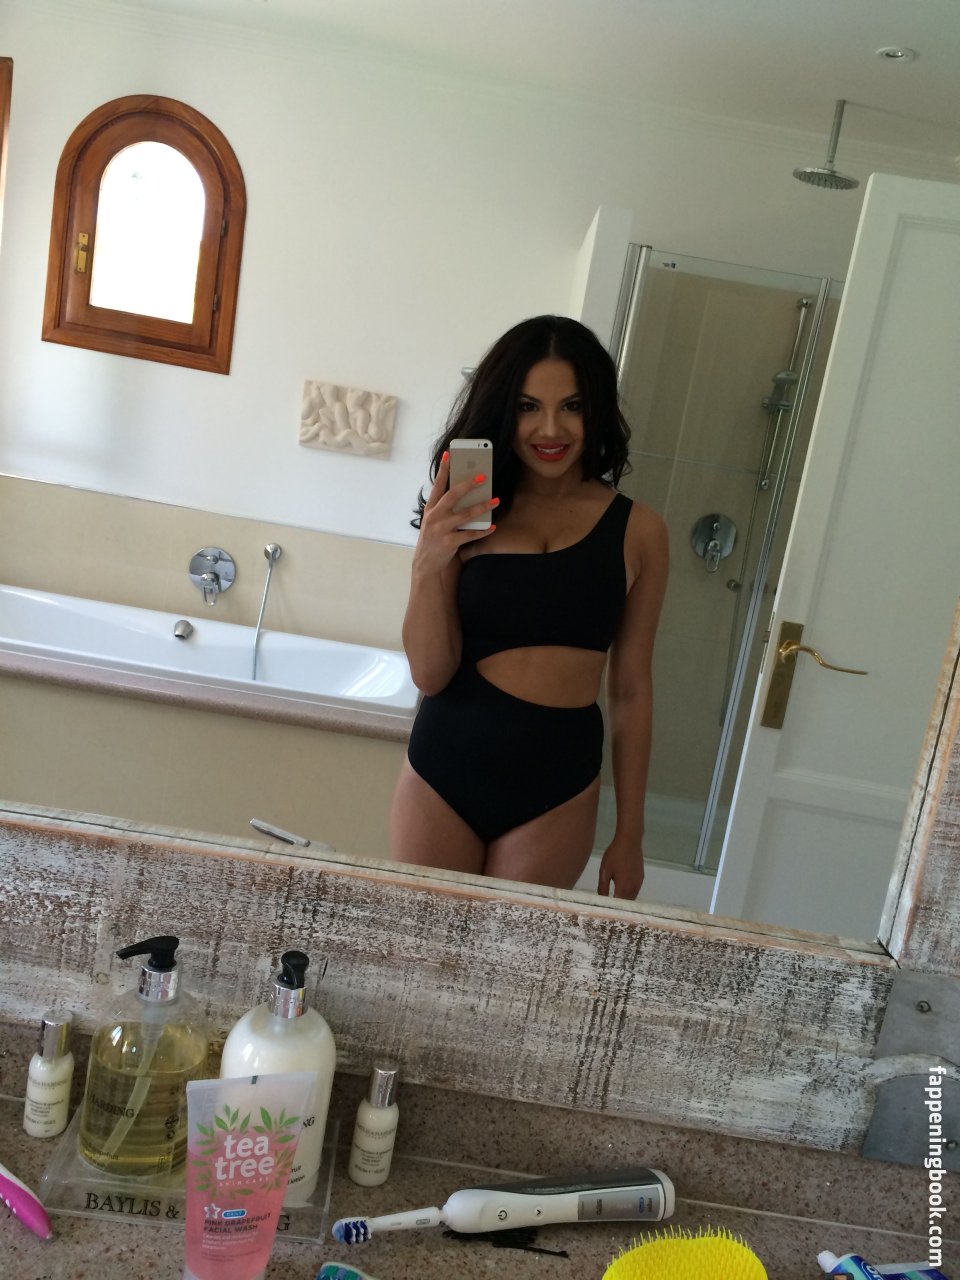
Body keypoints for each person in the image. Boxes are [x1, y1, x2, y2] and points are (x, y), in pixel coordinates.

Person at [389, 315, 668, 899]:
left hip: (558, 784)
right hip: (445, 767)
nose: (550, 428)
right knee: (421, 947)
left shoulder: (640, 531)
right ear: (503, 409)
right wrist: (427, 562)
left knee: (509, 955)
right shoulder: (467, 509)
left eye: (572, 406)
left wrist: (631, 833)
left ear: (597, 409)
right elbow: (429, 673)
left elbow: (630, 690)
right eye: (527, 407)